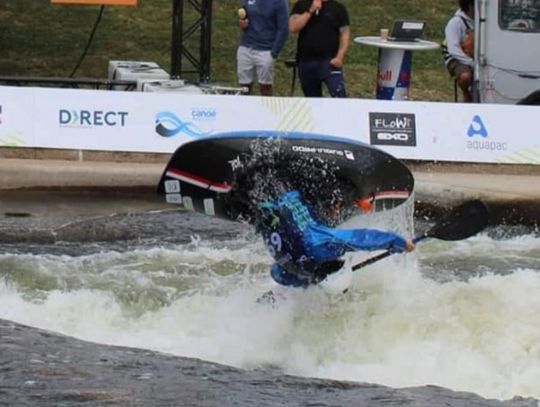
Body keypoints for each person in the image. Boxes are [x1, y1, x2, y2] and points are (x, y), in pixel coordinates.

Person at [256, 189, 415, 288]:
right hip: (261, 205)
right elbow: (276, 273)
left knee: (331, 210)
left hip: (291, 190)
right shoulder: (296, 273)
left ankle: (351, 197)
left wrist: (398, 242)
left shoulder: (324, 249)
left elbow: (361, 239)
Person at [289, 0, 351, 98]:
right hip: (306, 61)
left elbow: (345, 34)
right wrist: (310, 11)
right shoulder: (301, 5)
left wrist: (340, 56)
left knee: (339, 94)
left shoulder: (338, 8)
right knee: (312, 99)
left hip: (330, 62)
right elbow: (293, 27)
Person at [236, 0, 289, 96]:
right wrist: (243, 24)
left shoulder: (279, 2)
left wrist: (274, 52)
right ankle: (243, 109)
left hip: (266, 49)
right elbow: (244, 16)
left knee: (265, 86)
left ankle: (266, 109)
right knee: (243, 87)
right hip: (246, 46)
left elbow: (283, 28)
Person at [442, 0, 475, 103]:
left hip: (474, 56)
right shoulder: (455, 23)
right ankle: (466, 92)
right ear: (470, 7)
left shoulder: (483, 21)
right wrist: (472, 63)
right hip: (456, 58)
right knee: (466, 76)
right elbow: (453, 49)